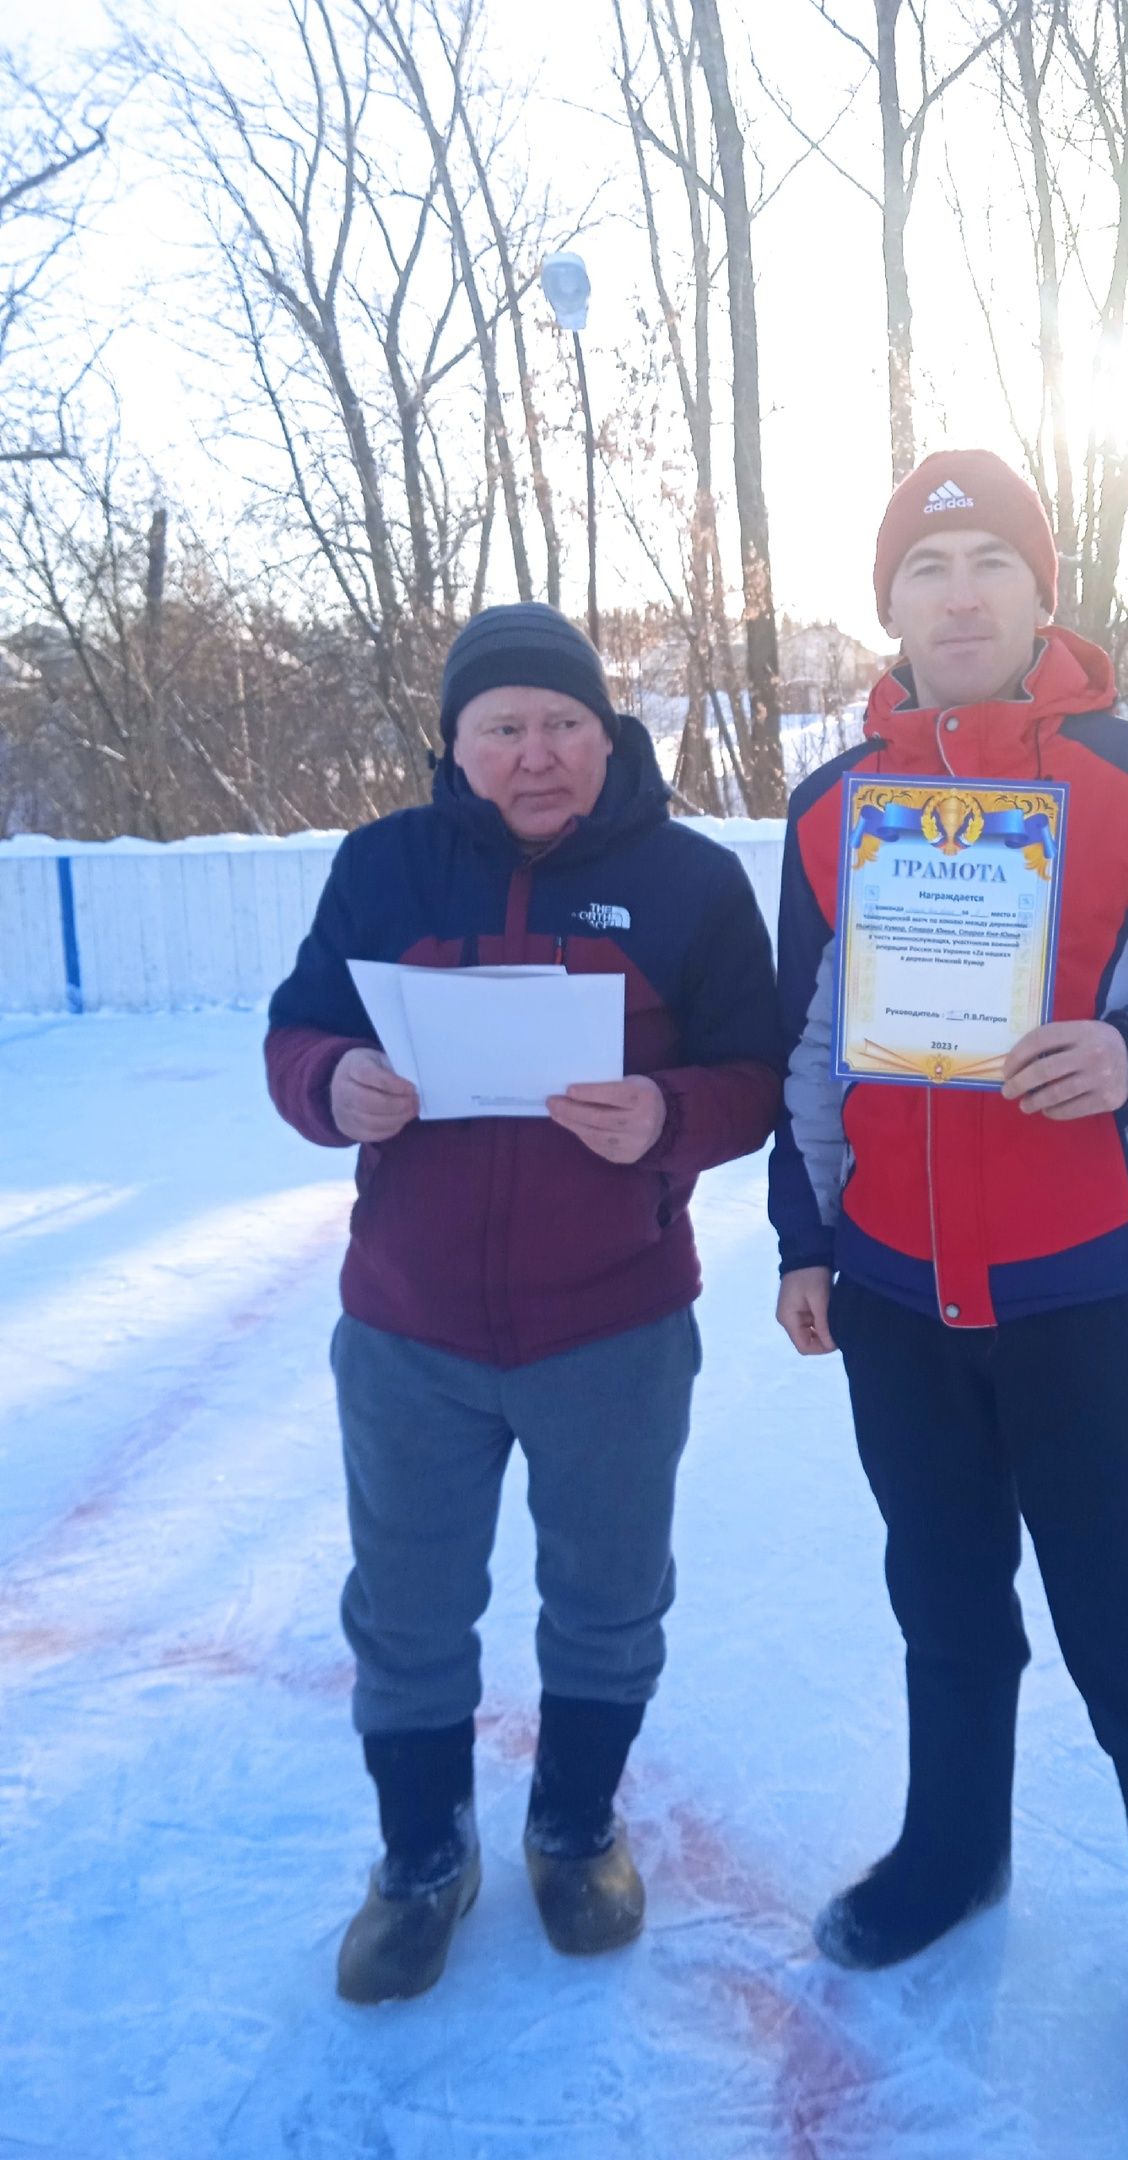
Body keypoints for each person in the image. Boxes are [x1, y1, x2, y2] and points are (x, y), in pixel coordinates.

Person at [769, 450, 1128, 2138]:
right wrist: (807, 1234)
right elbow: (803, 1037)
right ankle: (955, 1851)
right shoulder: (828, 804)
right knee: (944, 1607)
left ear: (1039, 594)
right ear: (891, 607)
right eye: (925, 567)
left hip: (1092, 1304)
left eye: (988, 560)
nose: (957, 595)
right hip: (893, 1310)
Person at [266, 603, 780, 2003]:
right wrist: (333, 1084)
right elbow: (296, 1028)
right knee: (411, 1611)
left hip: (609, 1327)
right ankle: (424, 1857)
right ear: (455, 744)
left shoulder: (687, 884)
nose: (536, 755)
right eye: (502, 729)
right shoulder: (384, 868)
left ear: (605, 735)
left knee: (608, 1601)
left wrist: (667, 1114)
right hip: (408, 1331)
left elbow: (758, 1069)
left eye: (562, 724)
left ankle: (573, 1826)